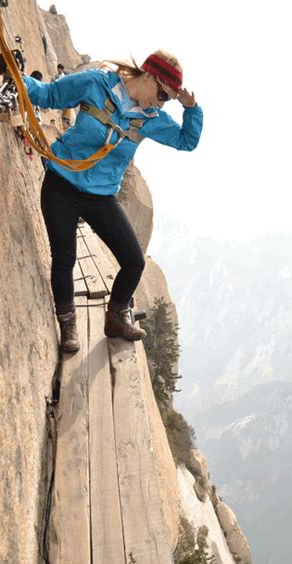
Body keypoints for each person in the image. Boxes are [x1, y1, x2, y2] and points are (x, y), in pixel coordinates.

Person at [23, 50, 202, 352]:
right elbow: (47, 95)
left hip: (102, 197)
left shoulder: (151, 118)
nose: (161, 103)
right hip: (62, 186)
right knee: (65, 257)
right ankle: (68, 325)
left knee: (133, 261)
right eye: (162, 94)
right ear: (148, 76)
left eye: (167, 100)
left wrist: (191, 108)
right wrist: (18, 78)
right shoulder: (96, 84)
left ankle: (116, 317)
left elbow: (187, 140)